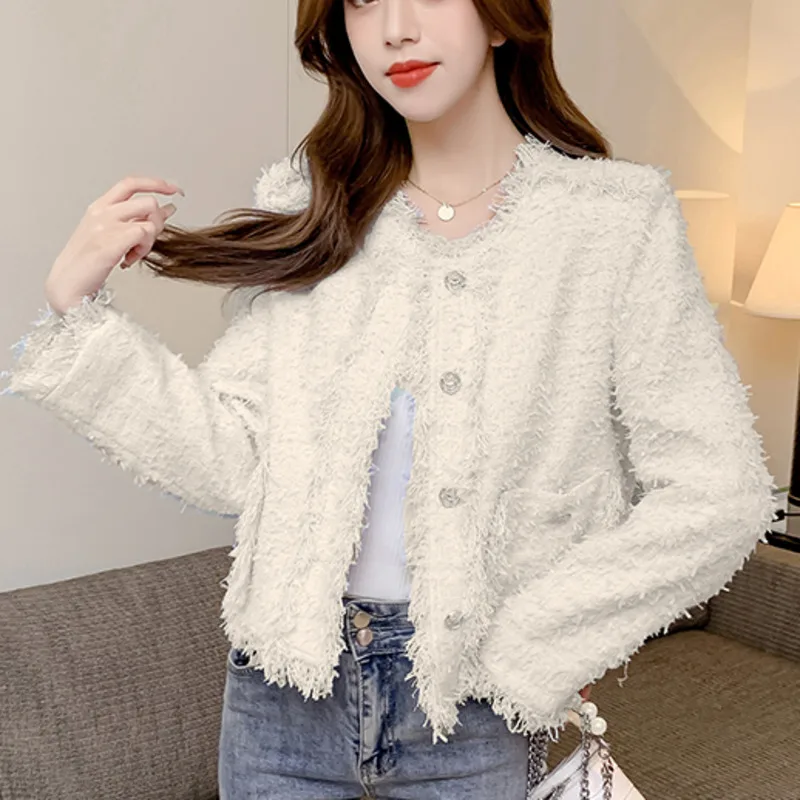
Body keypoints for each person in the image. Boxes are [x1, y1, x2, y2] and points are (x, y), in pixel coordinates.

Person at [1, 0, 778, 798]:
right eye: (363, 0)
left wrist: (535, 646)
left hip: (471, 708)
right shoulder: (311, 202)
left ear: (501, 17)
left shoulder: (611, 221)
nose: (395, 27)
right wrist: (78, 316)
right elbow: (236, 466)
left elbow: (720, 492)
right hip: (280, 703)